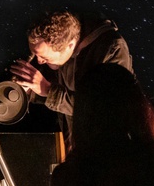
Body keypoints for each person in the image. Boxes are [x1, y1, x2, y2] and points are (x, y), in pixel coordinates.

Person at [9, 10, 132, 152]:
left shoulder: (112, 49)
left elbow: (107, 110)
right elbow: (61, 98)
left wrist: (49, 91)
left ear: (70, 45)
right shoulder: (63, 52)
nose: (40, 62)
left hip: (110, 152)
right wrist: (28, 90)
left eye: (45, 58)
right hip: (78, 149)